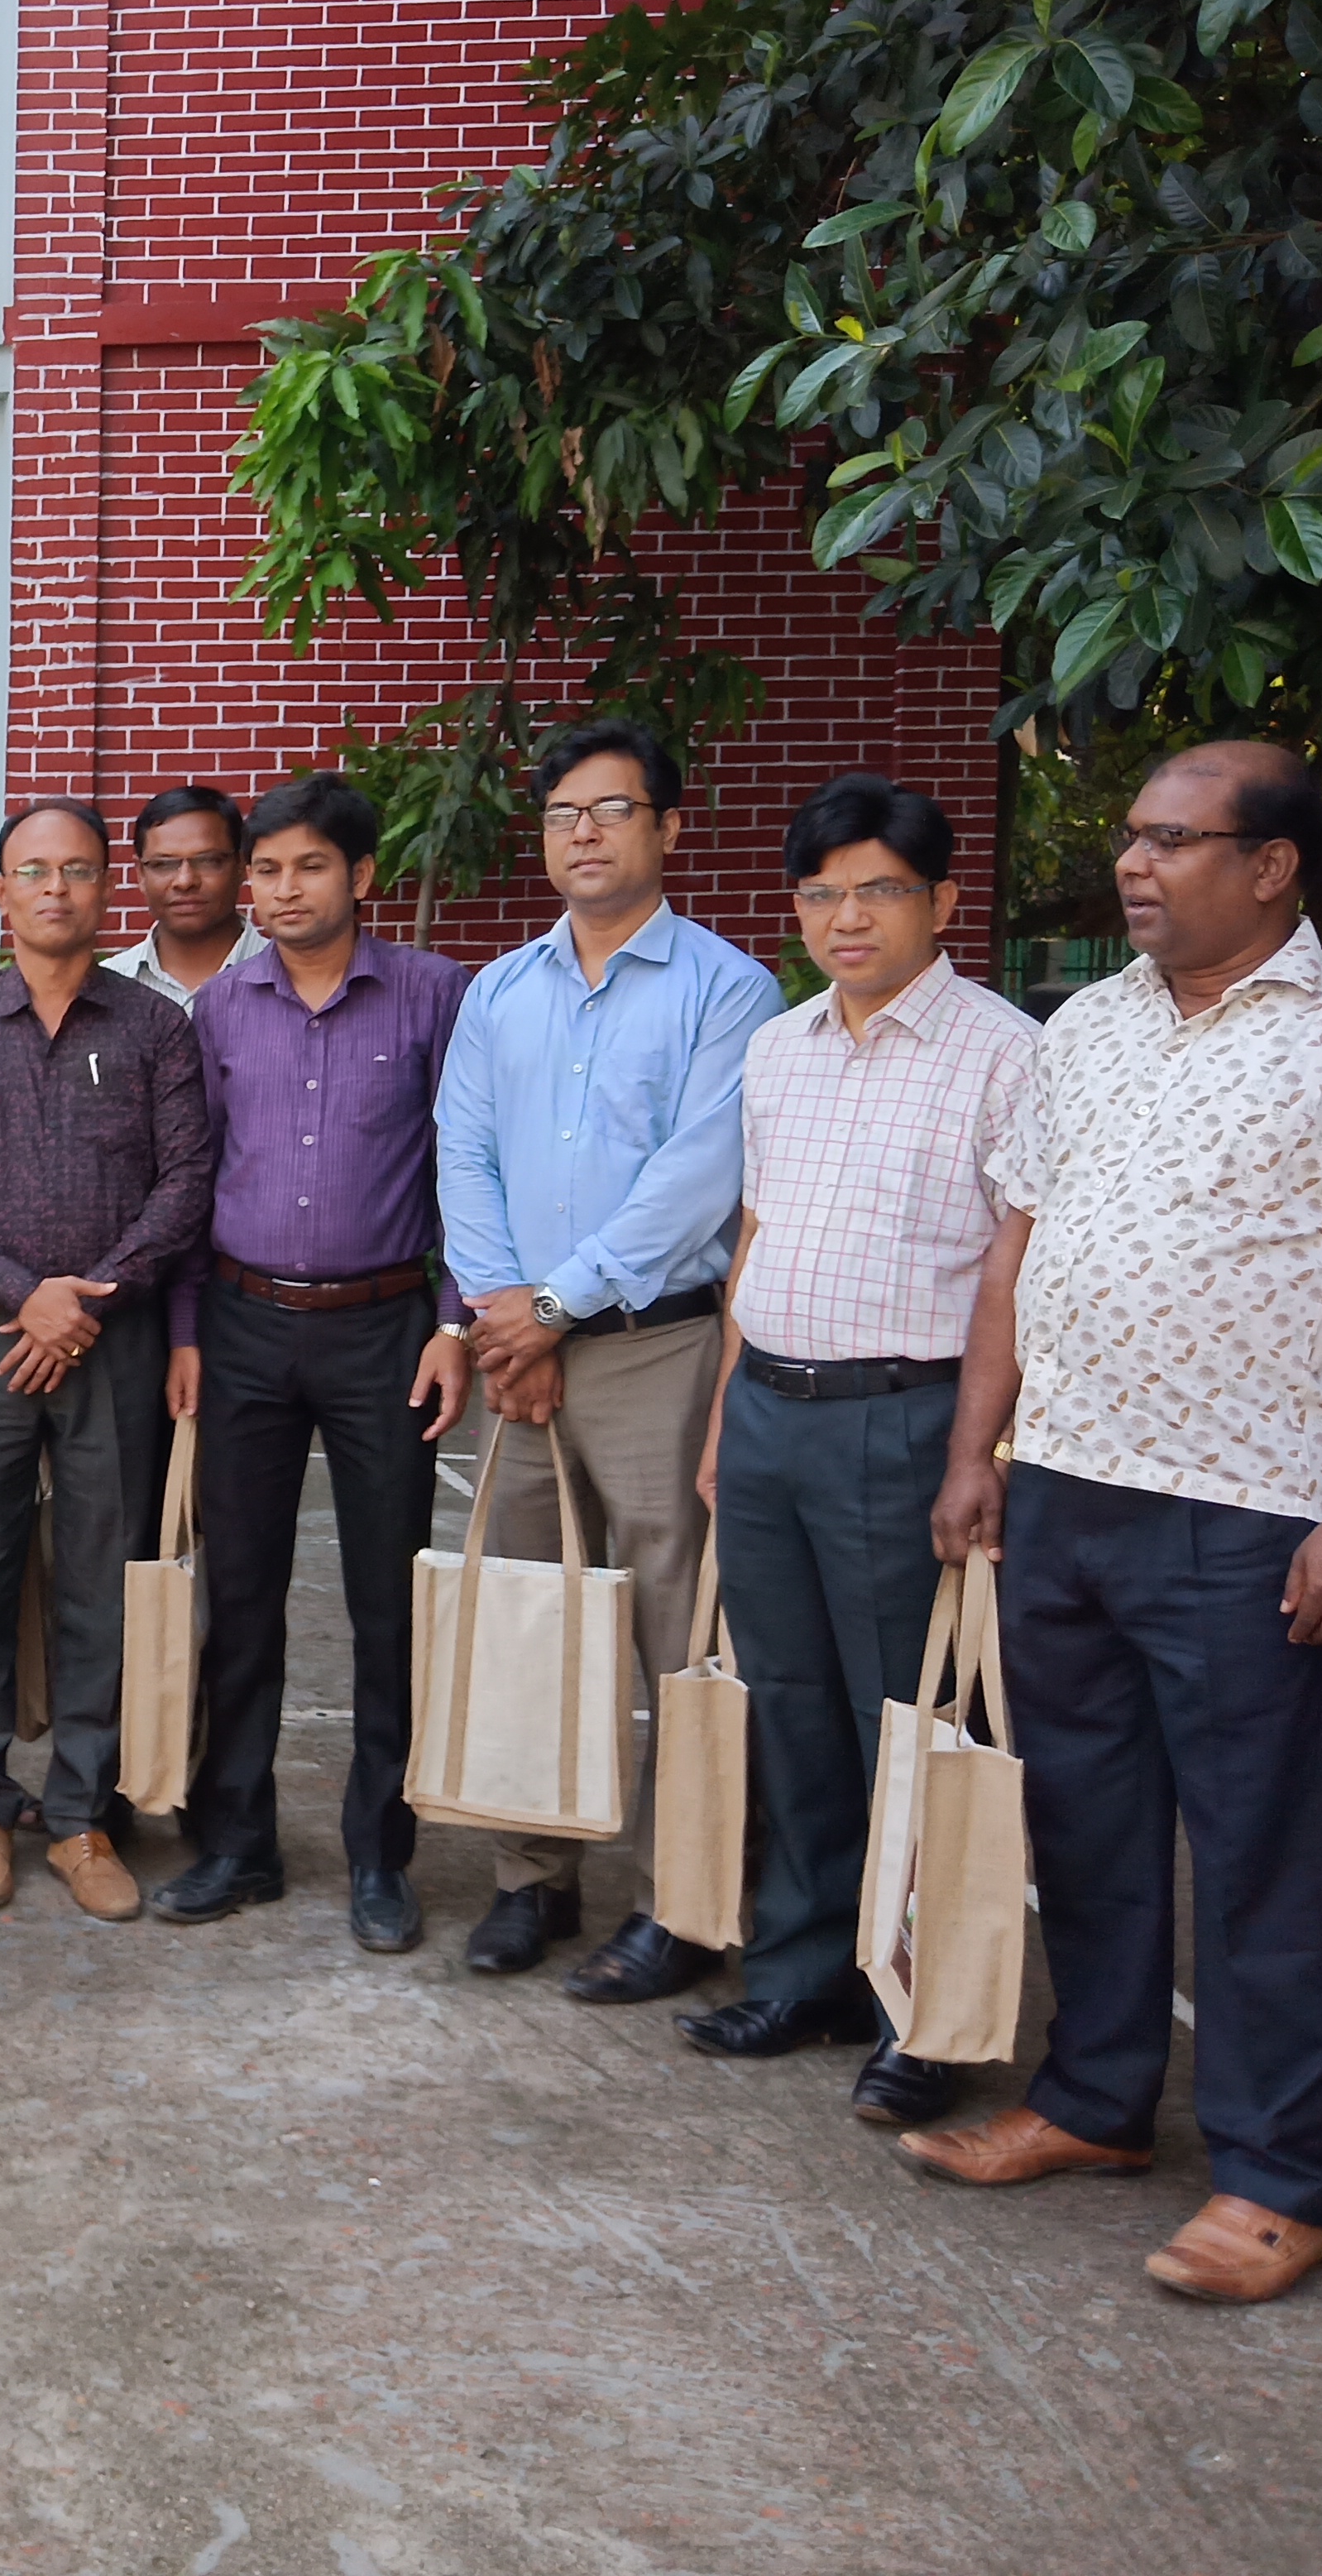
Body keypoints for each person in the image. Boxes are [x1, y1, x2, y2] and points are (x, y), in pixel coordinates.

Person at [910, 742, 1322, 2307]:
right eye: (1131, 836)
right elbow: (1017, 1247)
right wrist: (977, 1450)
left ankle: (1277, 2179)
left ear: (1270, 865)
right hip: (1064, 1488)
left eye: (1172, 840)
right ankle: (1094, 2101)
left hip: (1247, 1508)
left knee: (1265, 1854)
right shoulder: (1086, 1026)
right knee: (1086, 1824)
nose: (1132, 863)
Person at [680, 776, 1028, 2127]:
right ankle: (804, 1971)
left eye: (878, 888)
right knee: (791, 1705)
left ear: (942, 901)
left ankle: (923, 2013)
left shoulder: (1004, 1054)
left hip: (907, 1418)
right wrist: (726, 1415)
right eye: (820, 893)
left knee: (914, 1717)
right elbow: (755, 1240)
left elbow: (1015, 1268)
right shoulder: (780, 1048)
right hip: (771, 1408)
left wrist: (977, 1449)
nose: (846, 917)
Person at [434, 720, 784, 1993]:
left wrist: (553, 1309)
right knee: (528, 1616)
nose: (583, 833)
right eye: (562, 814)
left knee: (678, 1635)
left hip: (653, 1351)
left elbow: (697, 1181)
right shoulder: (498, 991)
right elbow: (462, 1154)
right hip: (518, 1356)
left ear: (668, 829)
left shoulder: (729, 991)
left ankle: (683, 1902)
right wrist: (505, 1315)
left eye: (612, 809)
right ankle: (533, 1876)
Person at [155, 775, 474, 1952]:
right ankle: (236, 1840)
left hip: (385, 1327)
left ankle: (381, 1854)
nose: (283, 891)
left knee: (389, 1598)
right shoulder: (220, 1009)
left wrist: (454, 1322)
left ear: (362, 875)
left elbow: (470, 1165)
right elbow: (194, 1178)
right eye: (268, 871)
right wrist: (187, 1331)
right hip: (243, 1325)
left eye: (310, 867)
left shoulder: (437, 995)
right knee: (239, 1593)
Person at [0, 799, 211, 1921]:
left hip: (111, 1337)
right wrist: (20, 1293)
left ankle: (82, 1814)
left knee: (100, 1577)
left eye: (77, 871)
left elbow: (186, 1179)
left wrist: (88, 1297)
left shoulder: (156, 1029)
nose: (55, 890)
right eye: (33, 872)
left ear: (105, 888)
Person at [103, 786, 251, 1008]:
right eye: (163, 864)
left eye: (208, 861)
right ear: (140, 873)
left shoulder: (292, 977)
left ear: (241, 865)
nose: (185, 881)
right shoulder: (103, 989)